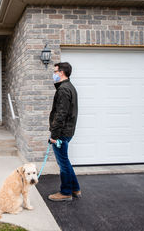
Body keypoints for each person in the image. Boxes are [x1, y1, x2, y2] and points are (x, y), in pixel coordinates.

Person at [48, 62, 81, 201]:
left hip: (61, 133)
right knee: (65, 161)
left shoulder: (63, 90)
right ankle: (75, 188)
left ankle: (66, 192)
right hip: (67, 131)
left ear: (61, 72)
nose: (53, 74)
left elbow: (61, 114)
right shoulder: (69, 87)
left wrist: (54, 135)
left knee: (63, 163)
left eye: (55, 71)